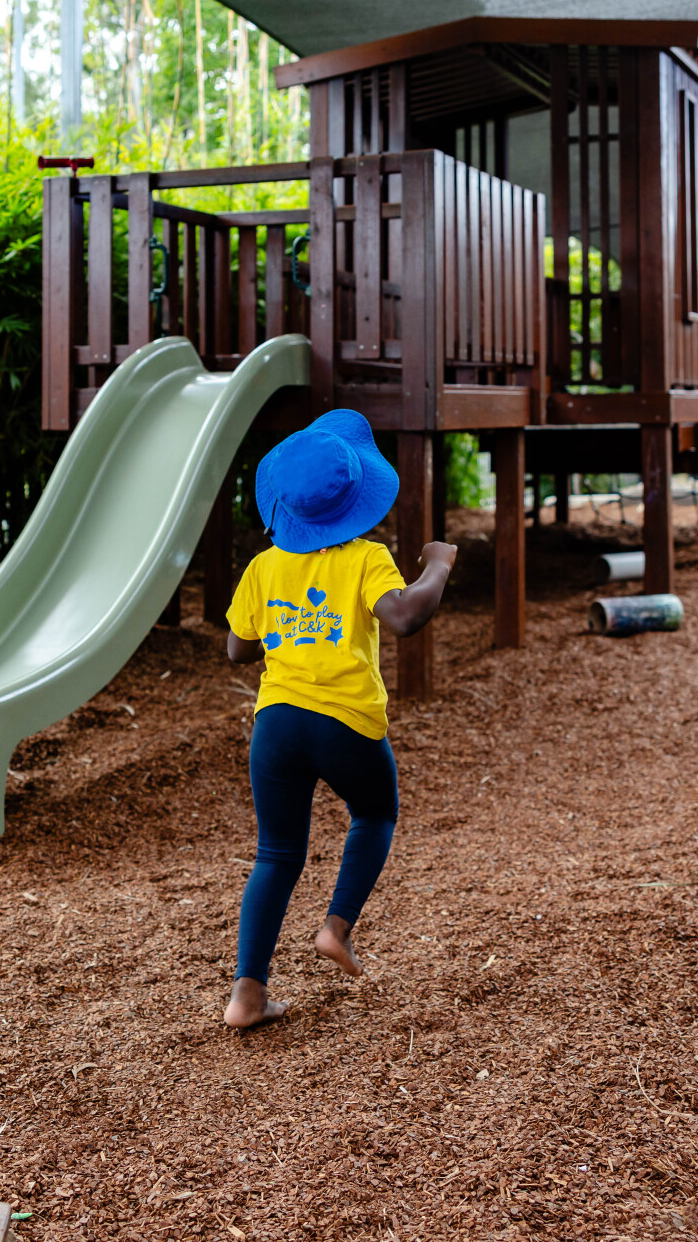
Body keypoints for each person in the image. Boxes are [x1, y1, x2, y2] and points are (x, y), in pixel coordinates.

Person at [220, 409, 456, 1028]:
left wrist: (278, 622)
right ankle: (335, 927)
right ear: (356, 499)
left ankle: (246, 995)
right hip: (345, 722)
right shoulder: (364, 557)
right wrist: (438, 565)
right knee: (375, 813)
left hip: (276, 724)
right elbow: (404, 617)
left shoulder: (264, 567)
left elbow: (237, 648)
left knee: (275, 854)